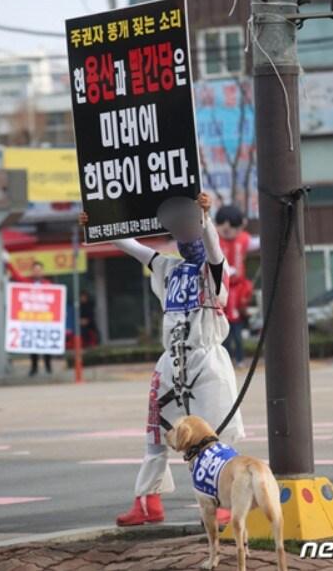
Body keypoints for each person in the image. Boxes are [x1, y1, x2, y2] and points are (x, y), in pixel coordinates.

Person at [79, 193, 244, 526]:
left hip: (207, 362)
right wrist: (99, 227)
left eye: (192, 233)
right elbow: (134, 247)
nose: (187, 240)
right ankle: (147, 501)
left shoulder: (215, 272)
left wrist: (206, 218)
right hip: (171, 363)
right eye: (181, 234)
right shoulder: (167, 267)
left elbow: (214, 251)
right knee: (156, 436)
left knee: (219, 433)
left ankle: (223, 500)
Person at [215, 204, 253, 368]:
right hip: (218, 289)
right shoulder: (214, 238)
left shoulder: (243, 239)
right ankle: (225, 359)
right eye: (224, 226)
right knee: (221, 332)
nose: (228, 230)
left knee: (236, 331)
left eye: (232, 226)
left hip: (236, 291)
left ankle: (239, 358)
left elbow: (258, 243)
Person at [4, 257, 53, 376]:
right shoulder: (27, 283)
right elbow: (17, 277)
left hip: (44, 320)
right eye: (35, 270)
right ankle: (34, 368)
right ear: (32, 271)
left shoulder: (48, 284)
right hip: (31, 320)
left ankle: (48, 367)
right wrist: (8, 264)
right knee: (33, 346)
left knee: (46, 344)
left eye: (39, 270)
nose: (37, 272)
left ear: (42, 271)